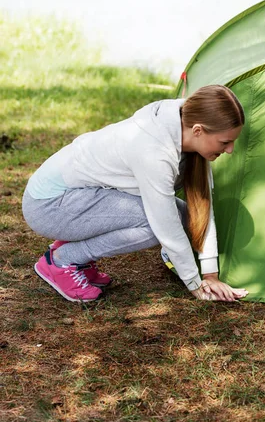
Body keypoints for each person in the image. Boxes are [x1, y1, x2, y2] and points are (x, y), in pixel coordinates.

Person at [22, 85, 249, 304]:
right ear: (198, 130)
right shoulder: (154, 151)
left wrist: (210, 275)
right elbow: (165, 226)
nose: (230, 150)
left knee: (182, 215)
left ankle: (71, 251)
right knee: (155, 226)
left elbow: (201, 207)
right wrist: (195, 284)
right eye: (225, 142)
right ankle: (63, 260)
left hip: (82, 195)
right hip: (49, 205)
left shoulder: (186, 125)